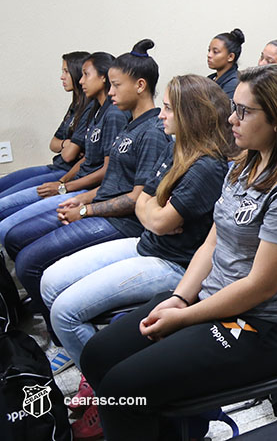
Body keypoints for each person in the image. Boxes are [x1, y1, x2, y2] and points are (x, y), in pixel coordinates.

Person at [79, 64, 277, 441]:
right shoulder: (242, 165)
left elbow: (259, 287)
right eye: (234, 106)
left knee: (124, 387)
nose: (231, 118)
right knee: (98, 355)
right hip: (210, 299)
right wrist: (181, 298)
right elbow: (212, 243)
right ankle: (171, 430)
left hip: (262, 326)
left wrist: (185, 317)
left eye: (243, 111)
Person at [40, 74, 235, 438]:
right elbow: (146, 203)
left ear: (189, 115)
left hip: (175, 264)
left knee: (65, 313)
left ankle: (111, 396)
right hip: (149, 242)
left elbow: (156, 214)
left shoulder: (207, 166)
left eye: (168, 109)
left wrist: (153, 211)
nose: (160, 115)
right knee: (49, 281)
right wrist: (153, 211)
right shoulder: (175, 145)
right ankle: (103, 380)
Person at [5, 40, 170, 333]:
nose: (112, 92)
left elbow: (135, 198)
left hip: (123, 223)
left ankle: (58, 336)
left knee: (30, 261)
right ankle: (44, 310)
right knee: (19, 241)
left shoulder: (153, 131)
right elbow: (112, 178)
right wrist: (78, 198)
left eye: (117, 85)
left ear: (141, 85)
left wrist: (85, 209)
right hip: (99, 205)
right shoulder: (130, 123)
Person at [0, 52, 127, 240]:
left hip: (86, 188)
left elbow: (103, 169)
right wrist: (62, 183)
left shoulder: (114, 114)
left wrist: (64, 187)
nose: (80, 81)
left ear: (103, 77)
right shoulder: (96, 110)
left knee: (8, 227)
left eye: (85, 74)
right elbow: (83, 157)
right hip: (71, 178)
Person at [0, 51, 91, 198]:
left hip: (67, 172)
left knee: (6, 201)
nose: (62, 77)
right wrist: (66, 143)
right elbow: (53, 144)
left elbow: (69, 156)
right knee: (3, 185)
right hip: (55, 166)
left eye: (66, 72)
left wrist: (68, 148)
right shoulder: (75, 105)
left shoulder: (90, 108)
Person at [207, 28, 245, 98]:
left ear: (230, 57)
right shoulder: (211, 78)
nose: (209, 55)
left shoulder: (233, 84)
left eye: (215, 52)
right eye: (209, 50)